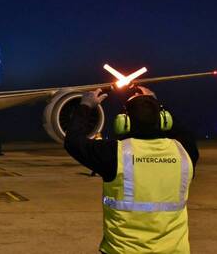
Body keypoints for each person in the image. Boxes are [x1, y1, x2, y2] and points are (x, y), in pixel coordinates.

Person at [65, 86, 198, 254]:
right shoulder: (184, 152)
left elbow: (73, 141)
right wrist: (155, 102)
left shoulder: (115, 154)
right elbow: (182, 131)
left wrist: (85, 106)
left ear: (124, 123)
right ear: (164, 119)